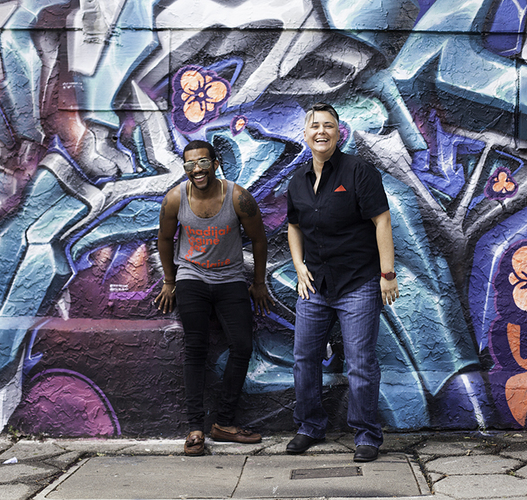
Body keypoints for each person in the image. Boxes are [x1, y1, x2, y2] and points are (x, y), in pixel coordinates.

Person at [286, 103, 399, 462]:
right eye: (314, 126)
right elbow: (293, 226)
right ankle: (309, 427)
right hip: (315, 285)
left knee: (360, 363)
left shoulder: (358, 172)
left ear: (339, 132)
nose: (321, 131)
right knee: (304, 358)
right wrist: (298, 265)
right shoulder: (298, 180)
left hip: (358, 282)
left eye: (328, 126)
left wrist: (387, 274)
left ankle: (366, 435)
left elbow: (382, 221)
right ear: (305, 134)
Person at [155, 140, 274, 456]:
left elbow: (259, 240)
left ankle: (223, 423)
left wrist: (259, 283)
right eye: (190, 164)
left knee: (242, 346)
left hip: (231, 279)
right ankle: (195, 429)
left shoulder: (237, 197)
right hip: (191, 277)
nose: (197, 169)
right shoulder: (175, 199)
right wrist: (169, 280)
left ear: (216, 164)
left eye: (203, 162)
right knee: (196, 349)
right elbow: (164, 239)